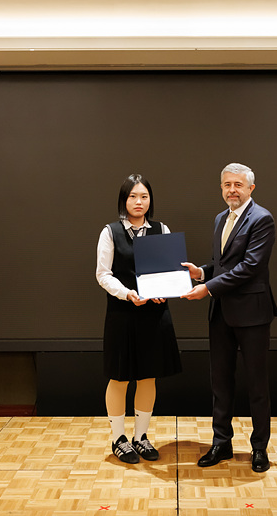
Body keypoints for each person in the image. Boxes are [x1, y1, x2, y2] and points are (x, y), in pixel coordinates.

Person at [182, 163, 277, 473]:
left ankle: (259, 448)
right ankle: (221, 442)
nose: (232, 190)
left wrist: (208, 288)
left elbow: (250, 267)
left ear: (251, 188)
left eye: (238, 184)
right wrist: (202, 272)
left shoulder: (262, 219)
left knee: (257, 386)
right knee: (220, 383)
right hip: (221, 313)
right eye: (227, 185)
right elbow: (221, 263)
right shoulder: (220, 218)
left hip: (252, 314)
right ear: (221, 188)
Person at [96, 174, 182, 464]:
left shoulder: (161, 229)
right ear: (124, 200)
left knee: (148, 376)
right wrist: (127, 294)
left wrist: (163, 292)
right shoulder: (110, 232)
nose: (138, 202)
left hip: (154, 314)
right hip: (122, 313)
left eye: (144, 196)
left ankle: (141, 437)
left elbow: (170, 271)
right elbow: (103, 274)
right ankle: (118, 439)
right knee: (119, 377)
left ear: (150, 200)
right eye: (133, 196)